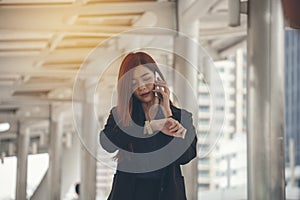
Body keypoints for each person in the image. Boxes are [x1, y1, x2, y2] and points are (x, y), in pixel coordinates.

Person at [99, 51, 197, 200]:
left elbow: (187, 156)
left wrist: (168, 115)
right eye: (133, 83)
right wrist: (150, 127)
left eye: (146, 78)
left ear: (157, 77)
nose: (141, 87)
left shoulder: (181, 117)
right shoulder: (122, 115)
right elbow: (107, 143)